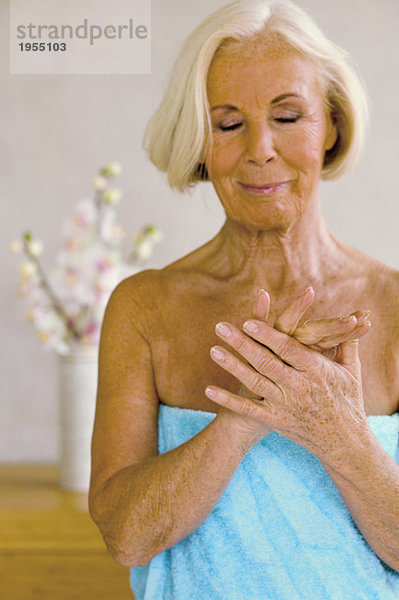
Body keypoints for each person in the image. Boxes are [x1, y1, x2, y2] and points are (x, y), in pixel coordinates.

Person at [89, 1, 399, 598]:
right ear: (200, 141)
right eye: (229, 124)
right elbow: (127, 537)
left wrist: (338, 432)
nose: (260, 149)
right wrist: (245, 410)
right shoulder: (143, 309)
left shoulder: (394, 303)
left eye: (287, 116)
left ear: (331, 125)